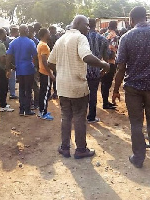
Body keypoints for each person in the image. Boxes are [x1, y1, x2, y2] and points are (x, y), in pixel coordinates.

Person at [112, 7, 150, 168]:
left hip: (133, 88)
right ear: (146, 17)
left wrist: (116, 89)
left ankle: (138, 157)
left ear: (131, 20)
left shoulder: (126, 37)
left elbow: (121, 68)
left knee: (136, 123)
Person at [48, 15, 110, 159]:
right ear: (79, 24)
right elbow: (86, 57)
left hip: (62, 86)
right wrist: (104, 64)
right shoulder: (80, 38)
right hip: (77, 86)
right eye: (87, 25)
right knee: (79, 118)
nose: (88, 28)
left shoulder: (60, 39)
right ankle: (81, 149)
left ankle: (64, 147)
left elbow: (51, 63)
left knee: (65, 117)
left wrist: (63, 71)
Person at [6, 24, 38, 116]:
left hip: (19, 69)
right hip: (29, 69)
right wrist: (36, 67)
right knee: (28, 90)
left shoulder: (13, 42)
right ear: (26, 31)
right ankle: (27, 110)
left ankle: (21, 109)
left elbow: (8, 56)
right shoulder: (30, 42)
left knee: (21, 88)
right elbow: (35, 57)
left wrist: (8, 68)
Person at [87, 18, 110, 123]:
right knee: (93, 93)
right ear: (95, 25)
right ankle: (91, 117)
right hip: (95, 70)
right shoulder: (103, 39)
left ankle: (79, 117)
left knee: (80, 94)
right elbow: (106, 57)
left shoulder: (81, 38)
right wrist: (104, 70)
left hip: (81, 70)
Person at [0, 28, 14, 112]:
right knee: (3, 87)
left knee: (2, 87)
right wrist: (9, 66)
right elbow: (2, 58)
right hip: (0, 68)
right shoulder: (0, 45)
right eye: (5, 33)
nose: (6, 35)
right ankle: (3, 106)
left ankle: (3, 104)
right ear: (1, 34)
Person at [37, 28, 55, 120]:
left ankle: (41, 111)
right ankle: (43, 113)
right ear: (45, 34)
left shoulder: (41, 44)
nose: (49, 34)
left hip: (42, 71)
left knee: (42, 92)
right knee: (45, 93)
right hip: (45, 72)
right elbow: (44, 60)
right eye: (48, 32)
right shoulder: (44, 45)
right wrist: (50, 73)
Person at [101, 21, 118, 109]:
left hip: (102, 62)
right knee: (107, 83)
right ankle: (105, 103)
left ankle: (105, 101)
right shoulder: (114, 36)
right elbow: (111, 50)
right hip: (110, 62)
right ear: (116, 26)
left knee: (103, 82)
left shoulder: (104, 34)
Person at [28, 25, 40, 110]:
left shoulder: (35, 41)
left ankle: (34, 103)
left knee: (33, 85)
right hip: (32, 66)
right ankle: (33, 103)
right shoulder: (35, 41)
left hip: (32, 66)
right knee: (32, 85)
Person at [8, 25, 20, 100]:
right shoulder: (12, 40)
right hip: (12, 63)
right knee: (12, 78)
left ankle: (11, 91)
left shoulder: (9, 39)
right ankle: (12, 94)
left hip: (11, 62)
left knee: (12, 78)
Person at [48, 25, 59, 99]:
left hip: (49, 60)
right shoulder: (58, 38)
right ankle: (55, 92)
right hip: (56, 60)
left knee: (49, 77)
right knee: (55, 76)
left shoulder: (47, 38)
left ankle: (49, 93)